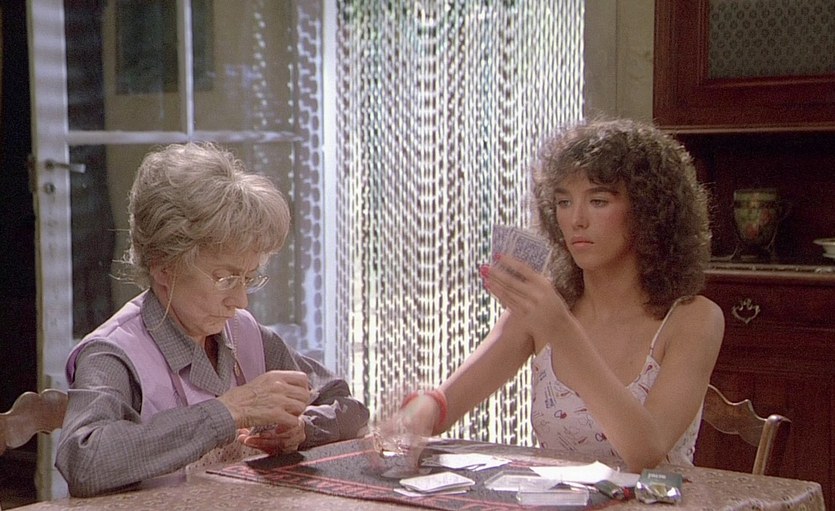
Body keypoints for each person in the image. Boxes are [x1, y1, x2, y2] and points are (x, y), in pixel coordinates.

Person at [391, 118, 725, 472]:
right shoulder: (541, 311)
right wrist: (421, 410)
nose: (576, 219)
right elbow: (446, 404)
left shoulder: (694, 320)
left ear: (650, 211)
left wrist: (561, 328)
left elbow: (645, 453)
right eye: (564, 202)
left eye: (598, 201)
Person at [56, 142, 369, 497]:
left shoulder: (245, 334)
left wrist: (302, 430)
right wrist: (229, 411)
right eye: (225, 278)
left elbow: (349, 408)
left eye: (248, 278)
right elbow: (84, 461)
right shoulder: (113, 353)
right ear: (163, 266)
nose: (241, 301)